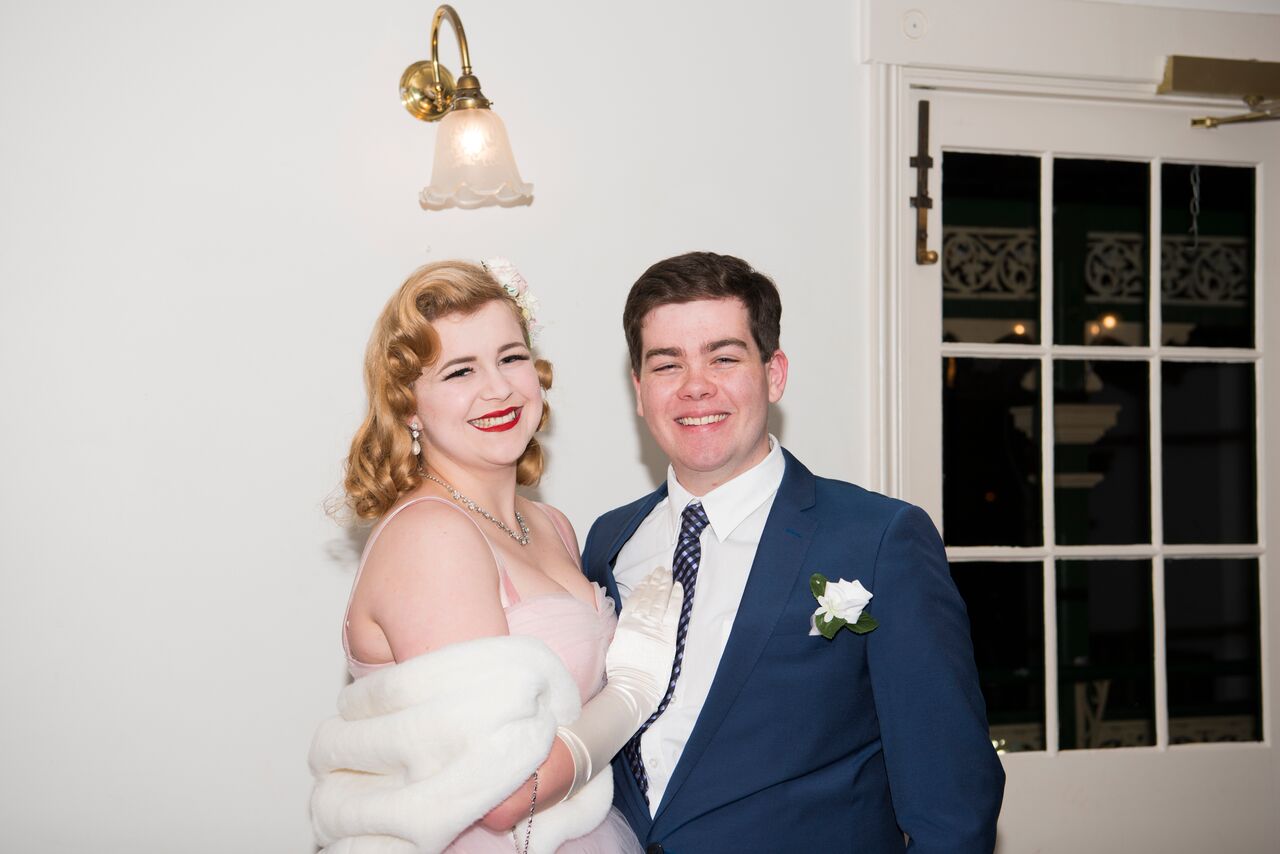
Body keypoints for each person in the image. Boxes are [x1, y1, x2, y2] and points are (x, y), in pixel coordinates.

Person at [582, 252, 1005, 853]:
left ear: (774, 374)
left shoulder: (879, 540)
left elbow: (953, 805)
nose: (695, 386)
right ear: (640, 390)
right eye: (667, 364)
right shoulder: (609, 541)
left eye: (724, 358)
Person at [310, 260, 683, 854]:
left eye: (510, 358)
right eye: (460, 370)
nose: (499, 388)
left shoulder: (552, 526)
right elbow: (501, 793)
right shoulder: (432, 534)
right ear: (408, 406)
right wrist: (631, 694)